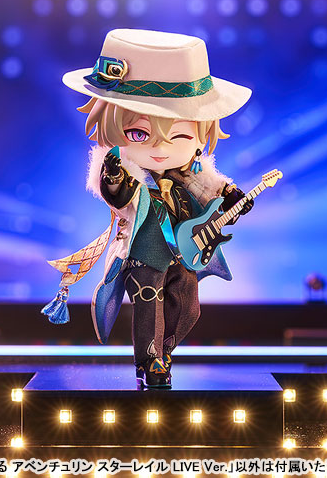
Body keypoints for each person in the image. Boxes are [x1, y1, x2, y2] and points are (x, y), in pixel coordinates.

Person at [45, 28, 253, 389]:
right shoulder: (128, 175)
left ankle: (165, 351)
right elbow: (119, 195)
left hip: (184, 254)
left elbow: (211, 191)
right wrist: (113, 176)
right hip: (143, 254)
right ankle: (151, 359)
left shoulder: (193, 175)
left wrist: (231, 196)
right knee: (148, 300)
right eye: (140, 134)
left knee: (187, 306)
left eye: (180, 135)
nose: (160, 148)